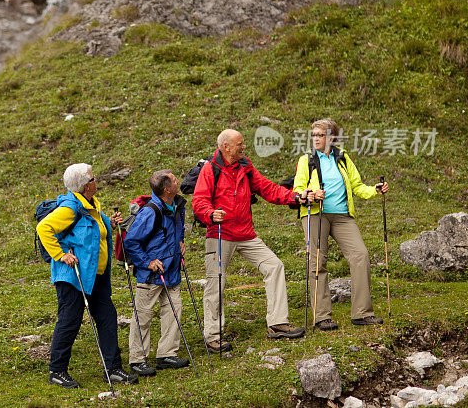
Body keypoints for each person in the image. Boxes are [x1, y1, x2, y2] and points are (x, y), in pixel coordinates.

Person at [193, 129, 308, 353]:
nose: (243, 147)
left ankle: (277, 324)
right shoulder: (210, 169)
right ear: (225, 147)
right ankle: (213, 336)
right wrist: (210, 214)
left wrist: (294, 196)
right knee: (216, 282)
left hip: (246, 233)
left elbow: (267, 188)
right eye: (239, 144)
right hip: (219, 234)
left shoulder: (245, 166)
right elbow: (199, 201)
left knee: (274, 266)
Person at [36, 163, 138, 388]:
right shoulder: (70, 208)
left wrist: (110, 223)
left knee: (107, 318)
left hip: (95, 274)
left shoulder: (91, 205)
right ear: (83, 186)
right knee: (70, 321)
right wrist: (61, 255)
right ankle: (57, 371)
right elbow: (44, 228)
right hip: (74, 276)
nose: (95, 181)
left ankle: (112, 369)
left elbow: (93, 232)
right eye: (92, 179)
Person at [293, 118, 390, 330]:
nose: (316, 139)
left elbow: (356, 186)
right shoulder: (306, 160)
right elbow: (298, 189)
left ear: (332, 138)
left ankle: (362, 313)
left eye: (320, 135)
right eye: (314, 135)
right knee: (318, 262)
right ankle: (322, 317)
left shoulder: (342, 158)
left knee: (360, 255)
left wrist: (375, 190)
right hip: (316, 214)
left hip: (342, 215)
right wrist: (310, 194)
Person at [123, 170, 190, 377]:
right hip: (152, 273)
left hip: (171, 270)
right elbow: (131, 242)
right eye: (174, 180)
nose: (178, 180)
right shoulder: (150, 212)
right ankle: (137, 360)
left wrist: (180, 245)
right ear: (166, 189)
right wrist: (147, 262)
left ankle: (166, 354)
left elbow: (176, 231)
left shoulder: (178, 205)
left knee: (173, 310)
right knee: (143, 315)